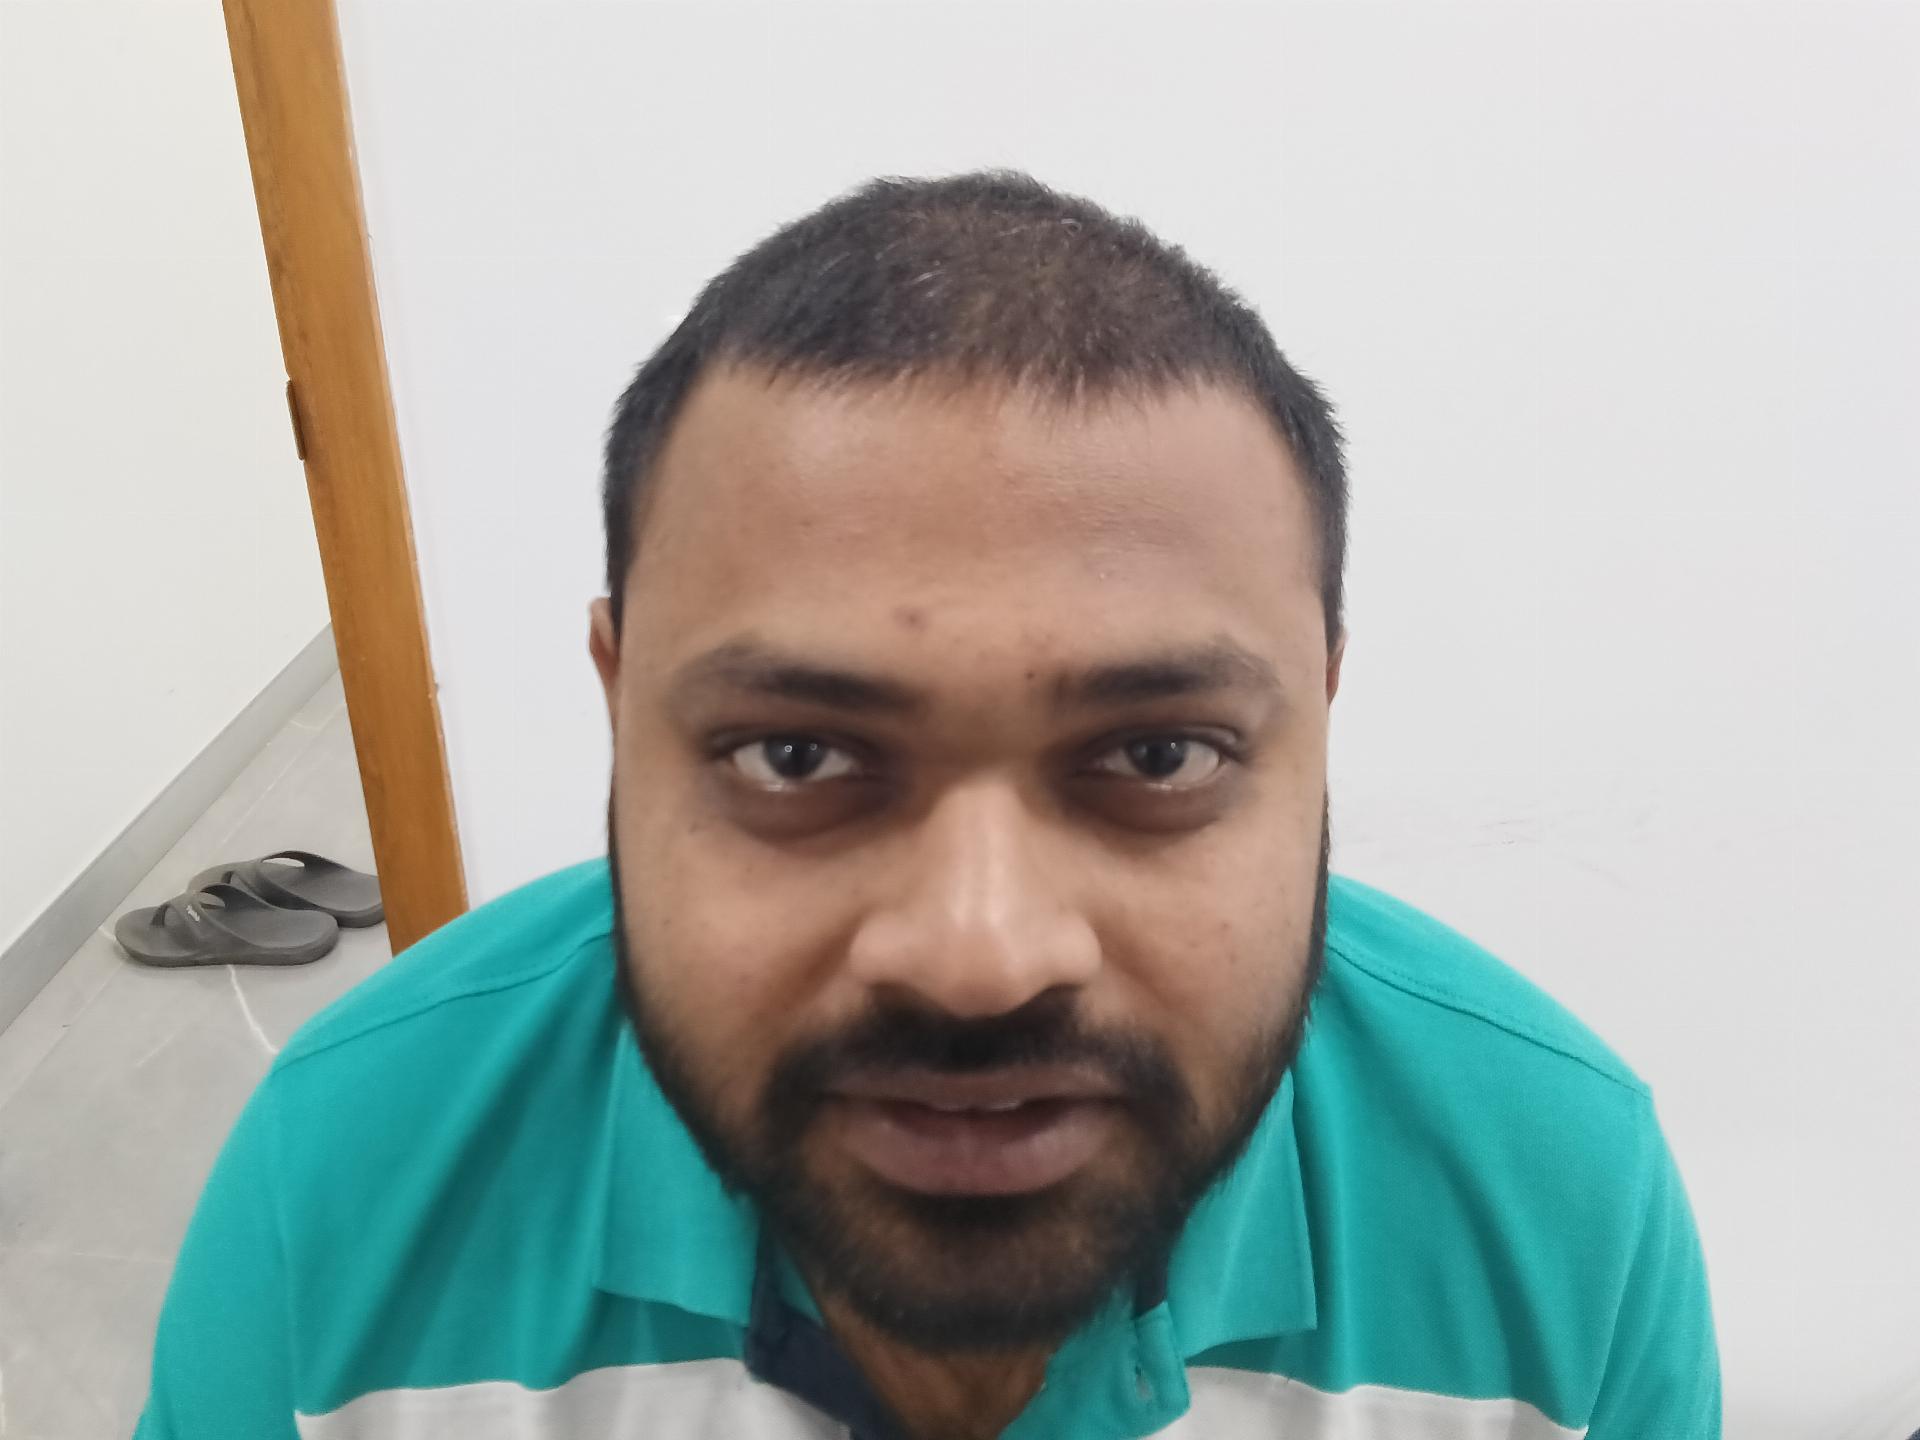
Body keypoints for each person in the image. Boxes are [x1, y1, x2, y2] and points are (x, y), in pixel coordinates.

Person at [136, 171, 1719, 1439]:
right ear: (620, 707)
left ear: (1320, 713)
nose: (979, 957)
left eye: (1157, 757)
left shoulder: (1558, 1204)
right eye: (795, 756)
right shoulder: (344, 1184)